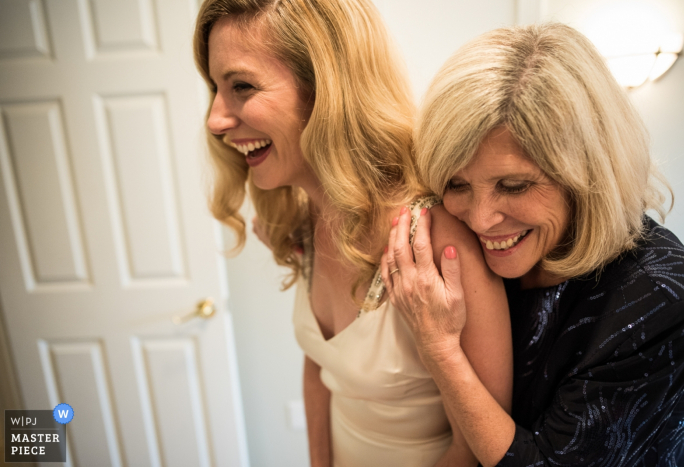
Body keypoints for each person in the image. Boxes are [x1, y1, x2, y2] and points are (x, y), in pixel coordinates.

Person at [193, 1, 512, 466]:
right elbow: (321, 365)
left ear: (327, 90)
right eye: (215, 88)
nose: (215, 119)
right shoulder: (307, 219)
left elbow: (476, 453)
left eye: (242, 85)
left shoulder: (436, 239)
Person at [382, 23, 684, 467]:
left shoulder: (666, 297)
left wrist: (440, 350)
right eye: (457, 184)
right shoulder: (472, 243)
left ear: (589, 172)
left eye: (513, 186)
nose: (479, 218)